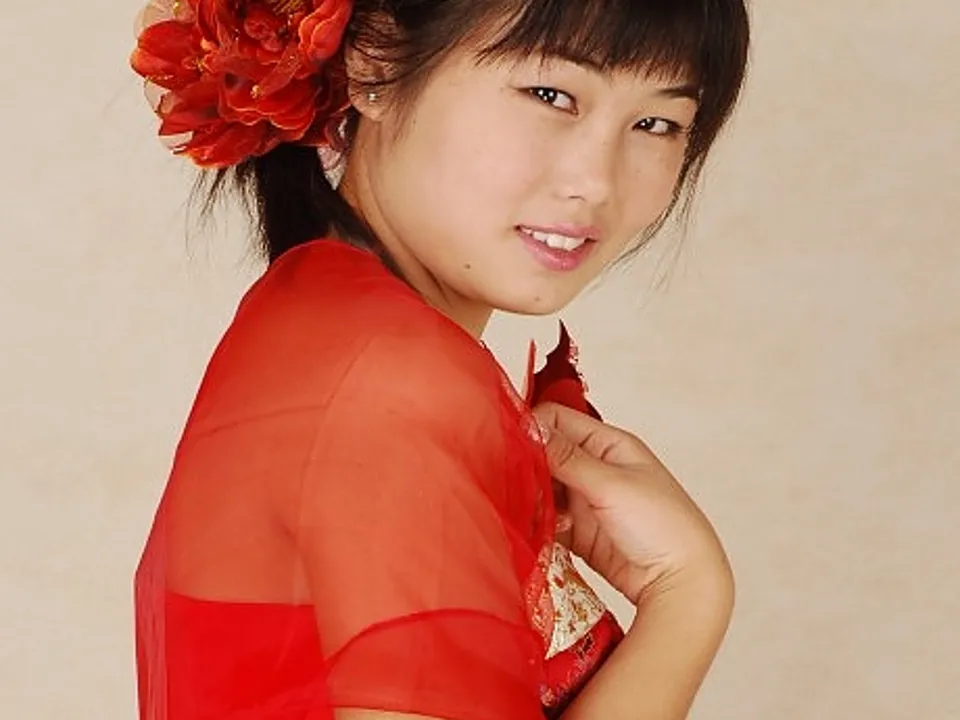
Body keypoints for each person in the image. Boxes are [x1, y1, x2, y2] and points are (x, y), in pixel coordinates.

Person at [130, 1, 750, 718]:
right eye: (550, 95)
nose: (597, 182)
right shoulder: (387, 376)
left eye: (658, 124)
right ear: (373, 63)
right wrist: (689, 598)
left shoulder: (325, 325)